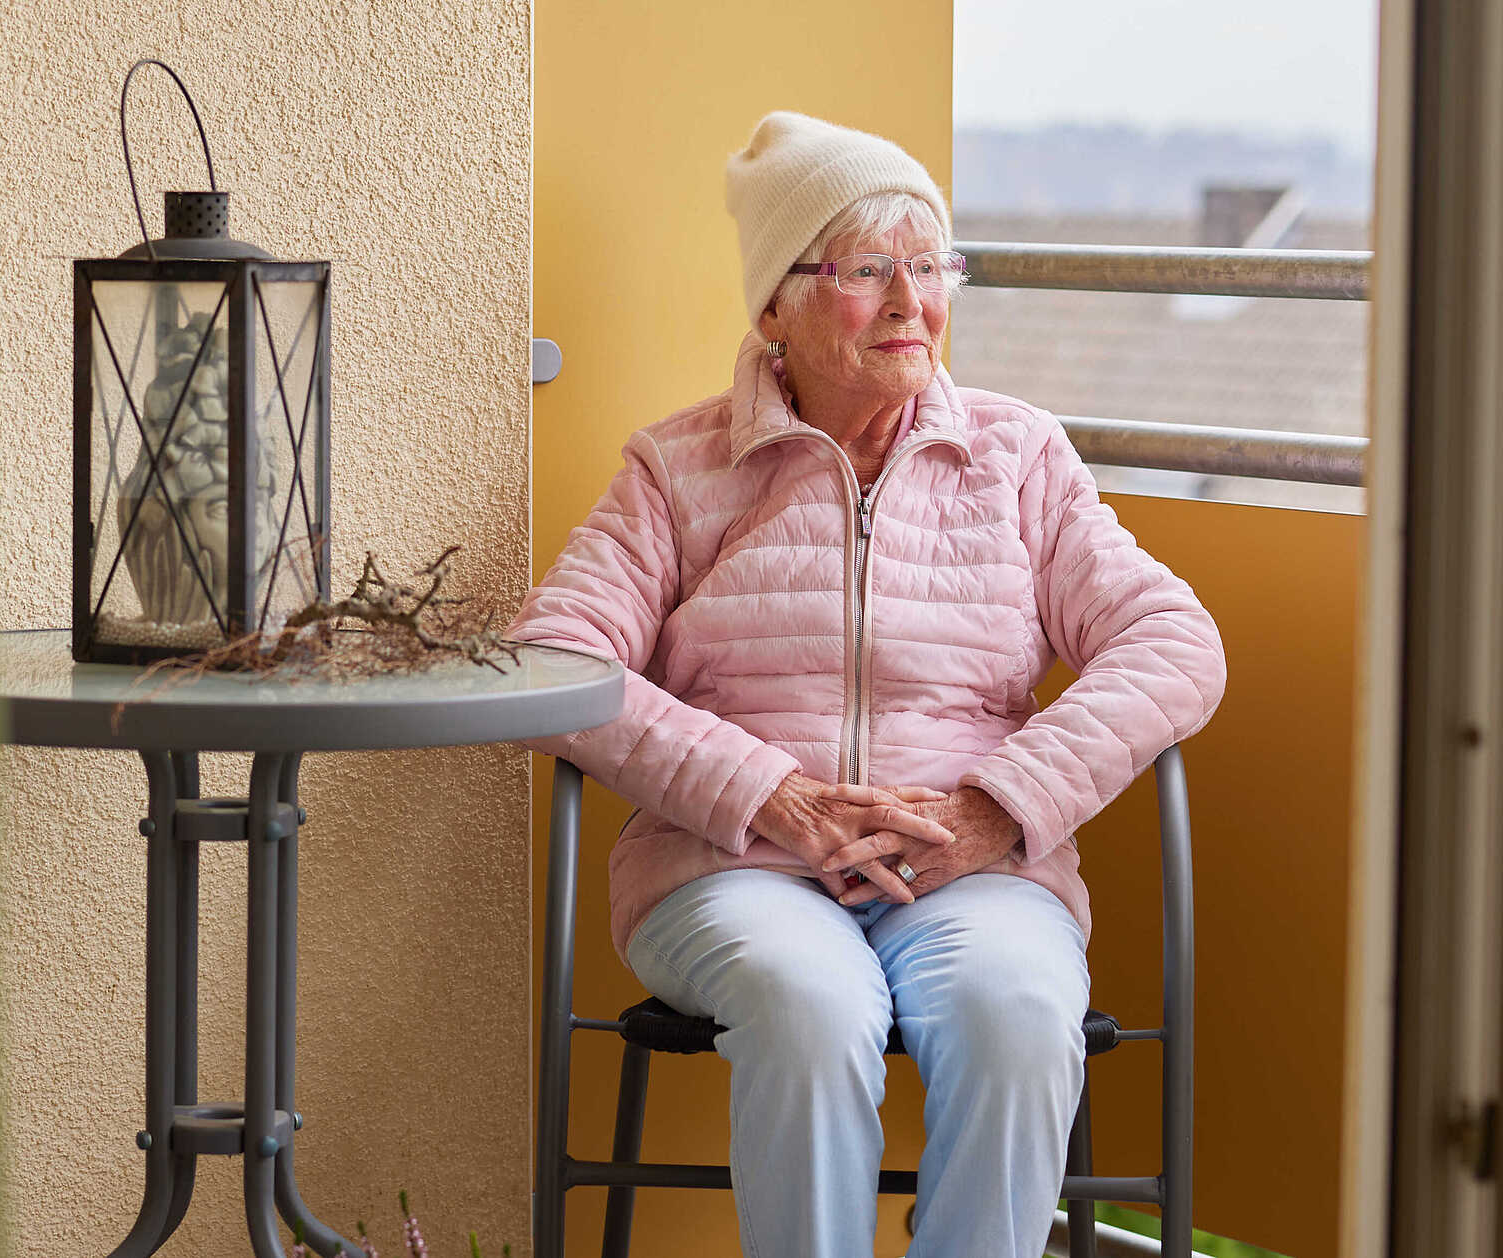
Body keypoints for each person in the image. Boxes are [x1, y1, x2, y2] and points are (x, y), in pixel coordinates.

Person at [508, 110, 1228, 1258]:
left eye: (930, 266)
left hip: (973, 869)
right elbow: (556, 656)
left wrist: (997, 807)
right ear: (775, 307)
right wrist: (772, 795)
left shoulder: (1018, 457)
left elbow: (1175, 642)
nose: (910, 302)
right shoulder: (679, 468)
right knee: (810, 1004)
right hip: (734, 866)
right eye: (866, 270)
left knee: (1019, 1013)